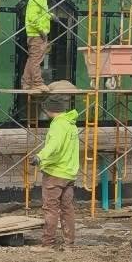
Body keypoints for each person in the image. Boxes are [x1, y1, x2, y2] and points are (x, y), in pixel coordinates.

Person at [34, 100, 80, 251]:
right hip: (69, 173)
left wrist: (40, 156)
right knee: (67, 209)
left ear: (49, 110)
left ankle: (48, 244)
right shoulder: (71, 124)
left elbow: (54, 145)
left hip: (55, 173)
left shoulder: (58, 124)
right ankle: (69, 245)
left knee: (50, 208)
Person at [21, 0, 52, 90]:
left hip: (35, 33)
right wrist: (41, 31)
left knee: (32, 59)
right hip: (37, 34)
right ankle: (37, 83)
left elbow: (41, 13)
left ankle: (26, 82)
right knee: (36, 60)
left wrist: (50, 16)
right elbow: (32, 17)